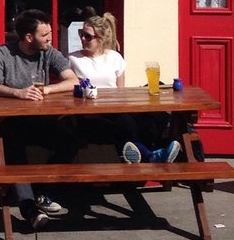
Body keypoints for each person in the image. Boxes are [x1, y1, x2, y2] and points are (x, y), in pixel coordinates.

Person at [0, 9, 81, 230]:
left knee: (71, 141)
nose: (50, 38)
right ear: (29, 37)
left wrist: (47, 90)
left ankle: (43, 192)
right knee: (12, 146)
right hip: (10, 121)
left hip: (39, 119)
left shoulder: (48, 52)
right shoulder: (2, 54)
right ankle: (29, 209)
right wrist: (18, 93)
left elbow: (73, 81)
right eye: (45, 34)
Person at [68, 12, 181, 164]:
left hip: (115, 108)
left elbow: (120, 91)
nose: (82, 38)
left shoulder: (115, 57)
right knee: (126, 123)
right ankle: (152, 156)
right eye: (81, 34)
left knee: (152, 117)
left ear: (100, 39)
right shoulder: (73, 59)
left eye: (88, 36)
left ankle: (145, 154)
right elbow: (71, 88)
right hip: (91, 112)